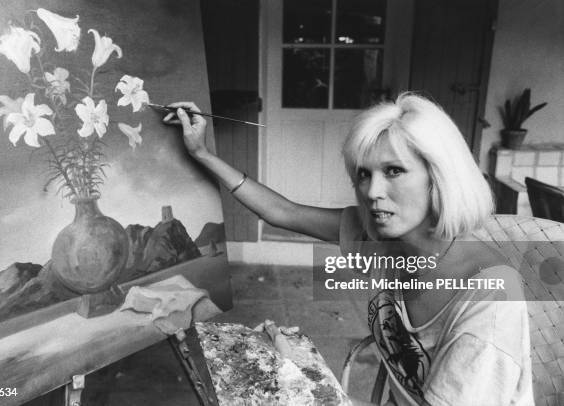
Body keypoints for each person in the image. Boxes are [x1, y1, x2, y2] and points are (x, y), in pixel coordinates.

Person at [163, 94, 533, 406]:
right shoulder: (382, 237)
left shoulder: (489, 301)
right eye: (363, 174)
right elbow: (283, 212)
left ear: (439, 177)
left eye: (393, 171)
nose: (372, 192)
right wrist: (203, 153)